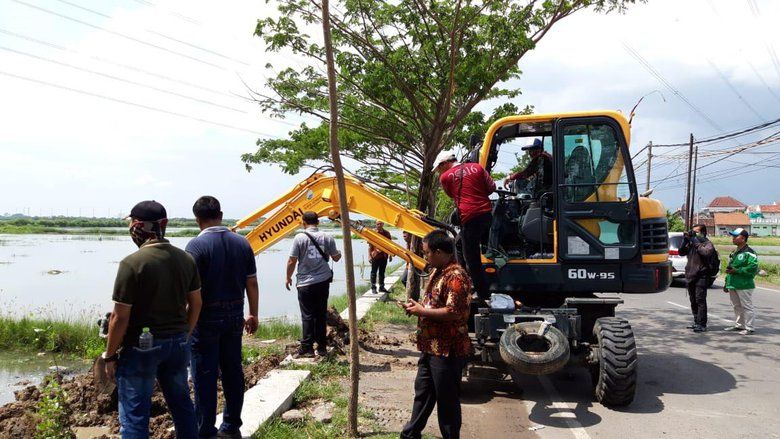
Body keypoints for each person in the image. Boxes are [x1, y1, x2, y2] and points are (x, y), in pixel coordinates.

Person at [103, 200, 202, 439]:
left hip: (141, 348)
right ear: (163, 225)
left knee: (135, 415)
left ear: (138, 226)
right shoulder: (186, 259)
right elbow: (196, 303)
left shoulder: (132, 263)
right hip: (177, 343)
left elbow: (119, 317)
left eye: (131, 224)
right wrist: (184, 333)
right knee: (182, 406)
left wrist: (110, 355)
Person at [185, 196, 259, 438]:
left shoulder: (195, 247)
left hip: (206, 316)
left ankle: (205, 431)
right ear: (221, 213)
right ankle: (231, 427)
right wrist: (253, 313)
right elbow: (252, 283)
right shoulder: (242, 243)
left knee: (204, 375)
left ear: (197, 219)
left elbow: (189, 292)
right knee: (232, 371)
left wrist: (185, 325)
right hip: (235, 313)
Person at [400, 230, 473, 439]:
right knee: (422, 394)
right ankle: (410, 434)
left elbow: (453, 312)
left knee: (447, 402)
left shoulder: (456, 276)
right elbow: (434, 302)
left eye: (427, 253)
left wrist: (422, 311)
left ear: (440, 252)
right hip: (430, 347)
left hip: (447, 350)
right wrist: (419, 306)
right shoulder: (438, 272)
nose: (425, 257)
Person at [435, 150, 496, 300]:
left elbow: (452, 195)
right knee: (459, 244)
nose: (438, 172)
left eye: (439, 168)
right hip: (487, 215)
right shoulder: (478, 167)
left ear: (445, 163)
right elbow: (491, 188)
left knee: (472, 259)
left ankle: (482, 295)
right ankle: (466, 279)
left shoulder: (446, 177)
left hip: (469, 218)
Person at [286, 211, 342, 357]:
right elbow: (336, 258)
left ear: (303, 222)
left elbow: (292, 260)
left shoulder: (299, 237)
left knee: (307, 315)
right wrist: (339, 253)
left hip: (305, 283)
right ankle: (322, 347)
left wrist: (288, 277)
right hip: (323, 281)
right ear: (318, 222)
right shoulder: (327, 236)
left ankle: (307, 348)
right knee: (320, 314)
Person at [678, 223, 716, 333]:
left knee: (700, 300)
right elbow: (681, 252)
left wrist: (694, 240)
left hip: (702, 275)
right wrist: (685, 240)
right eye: (693, 232)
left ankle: (702, 324)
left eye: (696, 232)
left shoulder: (707, 243)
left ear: (703, 233)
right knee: (693, 300)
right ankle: (696, 321)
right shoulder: (691, 243)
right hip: (690, 274)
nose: (694, 234)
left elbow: (705, 253)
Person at [724, 228, 759, 335]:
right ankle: (739, 325)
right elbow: (731, 268)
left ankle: (749, 327)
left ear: (743, 238)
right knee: (736, 306)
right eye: (733, 236)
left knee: (746, 306)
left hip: (744, 284)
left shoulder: (750, 253)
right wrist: (727, 282)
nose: (733, 238)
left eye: (735, 236)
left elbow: (753, 268)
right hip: (733, 283)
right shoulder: (735, 252)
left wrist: (737, 270)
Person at [368, 220, 393, 293]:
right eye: (377, 224)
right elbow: (370, 246)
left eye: (380, 224)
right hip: (375, 256)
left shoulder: (387, 233)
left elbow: (390, 245)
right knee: (373, 272)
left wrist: (391, 255)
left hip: (384, 256)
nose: (379, 225)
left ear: (383, 224)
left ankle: (381, 287)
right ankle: (373, 287)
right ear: (376, 224)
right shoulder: (373, 233)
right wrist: (369, 256)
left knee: (382, 272)